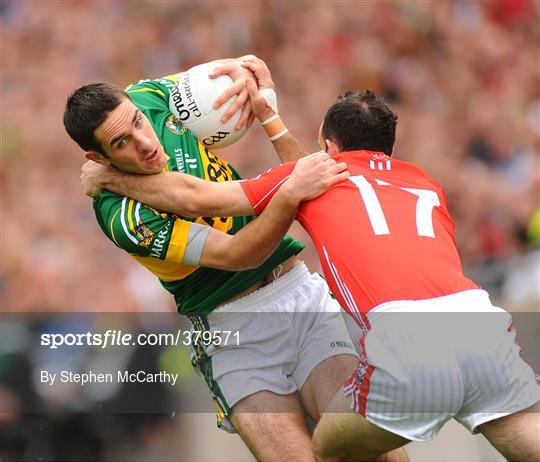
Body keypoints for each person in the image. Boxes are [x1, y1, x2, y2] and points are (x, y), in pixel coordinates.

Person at [64, 57, 366, 462]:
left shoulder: (148, 96)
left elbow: (233, 71)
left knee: (372, 450)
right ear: (97, 158)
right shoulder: (124, 217)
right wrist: (290, 193)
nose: (145, 141)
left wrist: (248, 76)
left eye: (137, 122)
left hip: (301, 298)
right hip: (234, 336)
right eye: (121, 144)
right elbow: (241, 253)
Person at [235, 82, 540, 460]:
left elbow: (197, 198)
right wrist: (273, 121)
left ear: (328, 149)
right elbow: (320, 177)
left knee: (328, 449)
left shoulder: (330, 191)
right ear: (390, 150)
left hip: (406, 340)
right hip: (479, 322)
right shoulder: (423, 181)